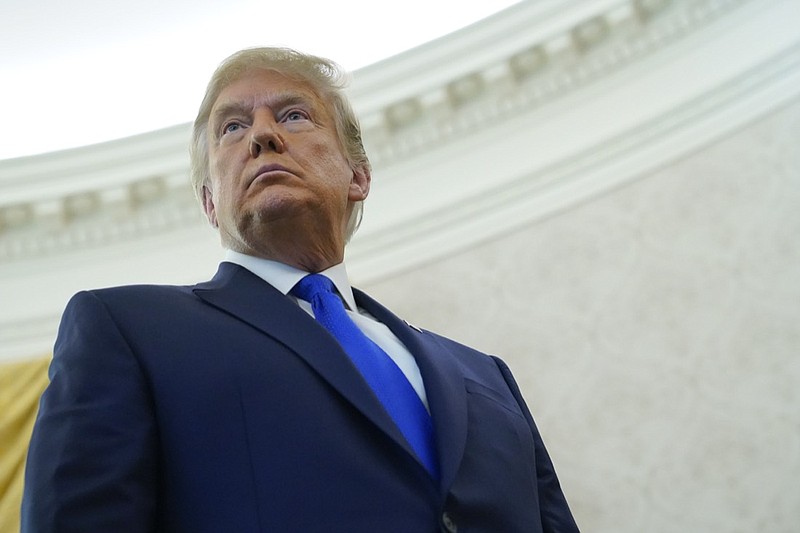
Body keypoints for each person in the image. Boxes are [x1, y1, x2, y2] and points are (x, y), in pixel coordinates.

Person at [22, 47, 579, 532]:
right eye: (233, 127)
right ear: (210, 203)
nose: (263, 134)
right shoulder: (129, 330)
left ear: (357, 175)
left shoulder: (485, 377)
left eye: (293, 115)